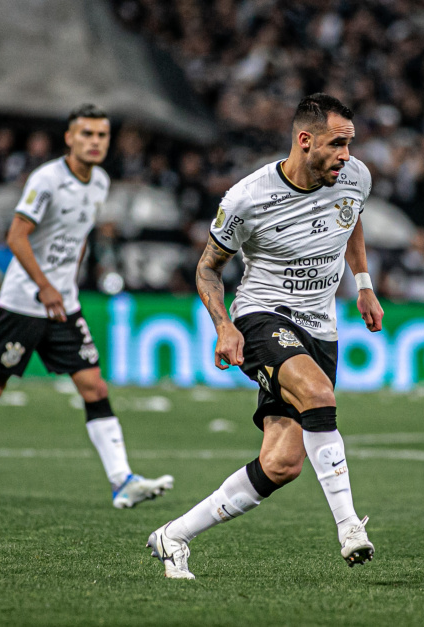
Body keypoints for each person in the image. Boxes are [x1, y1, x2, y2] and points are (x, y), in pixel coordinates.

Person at [147, 93, 383, 579]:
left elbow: (350, 219)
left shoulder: (354, 176)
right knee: (318, 395)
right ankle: (348, 528)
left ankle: (173, 537)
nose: (347, 155)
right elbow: (207, 270)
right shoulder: (246, 198)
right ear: (304, 140)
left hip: (322, 328)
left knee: (281, 464)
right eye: (337, 144)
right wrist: (224, 326)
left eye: (350, 144)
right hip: (262, 315)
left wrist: (363, 286)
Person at [0, 105, 173, 509]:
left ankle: (122, 481)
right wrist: (45, 287)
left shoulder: (100, 183)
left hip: (64, 306)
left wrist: (66, 285)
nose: (95, 142)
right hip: (24, 303)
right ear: (70, 139)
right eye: (87, 134)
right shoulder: (48, 180)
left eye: (101, 136)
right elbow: (16, 236)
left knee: (94, 385)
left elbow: (78, 239)